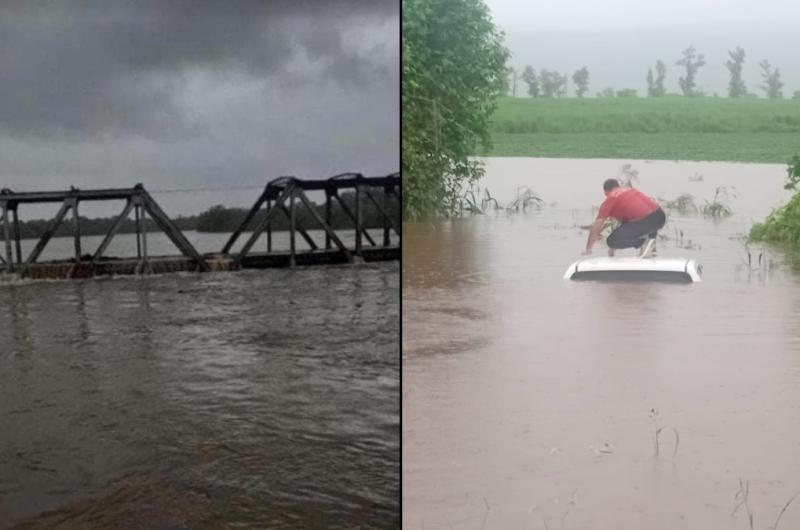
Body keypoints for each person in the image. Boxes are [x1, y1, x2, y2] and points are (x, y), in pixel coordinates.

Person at [583, 178, 666, 257]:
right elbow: (623, 227)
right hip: (660, 216)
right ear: (618, 187)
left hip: (646, 220)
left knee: (611, 241)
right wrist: (613, 250)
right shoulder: (631, 190)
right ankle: (651, 248)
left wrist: (588, 249)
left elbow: (595, 228)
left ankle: (643, 243)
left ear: (605, 192)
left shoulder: (610, 199)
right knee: (647, 220)